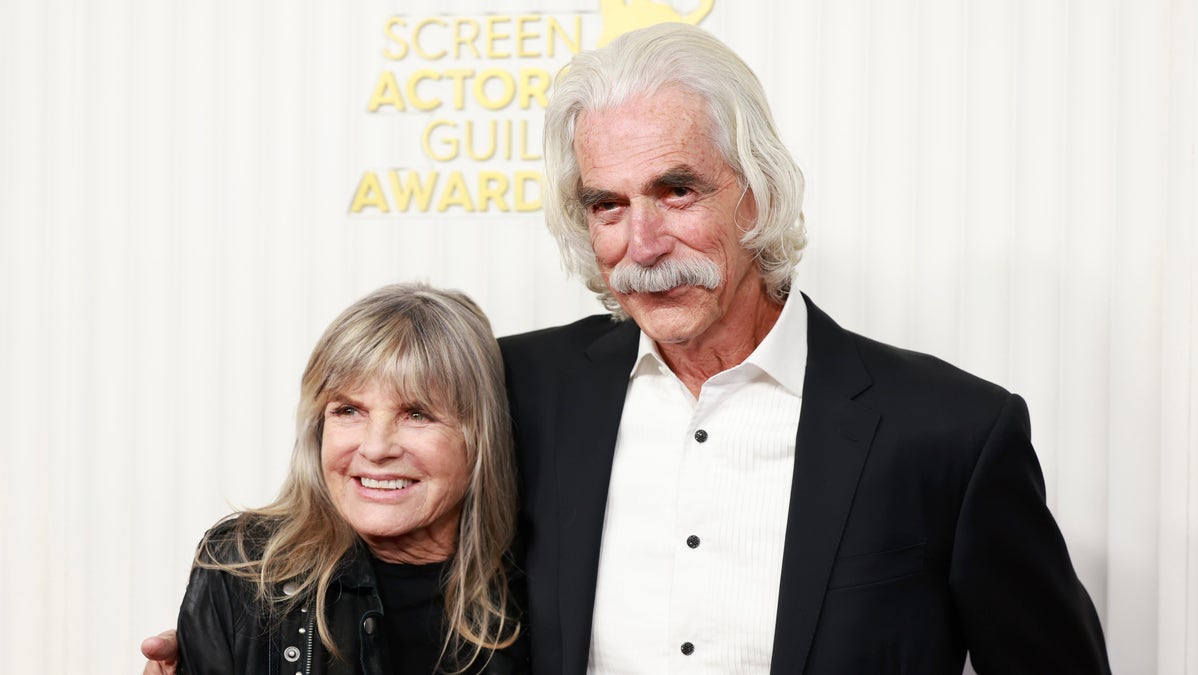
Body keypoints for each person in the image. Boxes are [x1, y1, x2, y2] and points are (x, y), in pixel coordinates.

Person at [147, 22, 1110, 675]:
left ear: (759, 193)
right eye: (607, 205)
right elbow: (384, 526)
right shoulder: (519, 387)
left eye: (677, 189)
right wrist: (232, 639)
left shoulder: (948, 432)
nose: (642, 244)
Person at [166, 283, 527, 674]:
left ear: (481, 436)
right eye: (349, 410)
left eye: (417, 414)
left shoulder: (543, 582)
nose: (375, 448)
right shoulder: (242, 570)